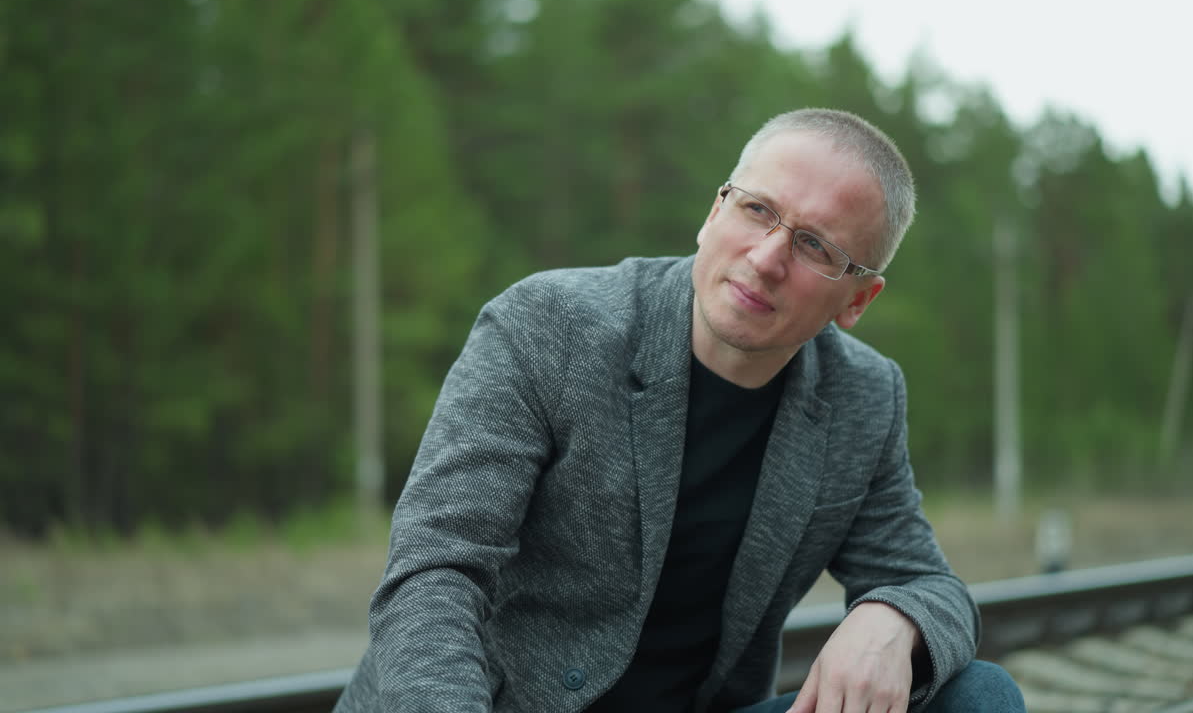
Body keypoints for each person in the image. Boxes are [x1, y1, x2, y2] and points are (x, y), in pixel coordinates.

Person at [336, 108, 1025, 713]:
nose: (765, 259)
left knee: (978, 697)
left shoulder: (862, 397)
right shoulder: (550, 326)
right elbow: (434, 573)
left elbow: (929, 583)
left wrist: (895, 614)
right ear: (714, 211)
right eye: (757, 210)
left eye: (815, 246)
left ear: (857, 301)